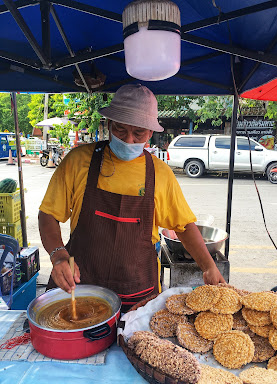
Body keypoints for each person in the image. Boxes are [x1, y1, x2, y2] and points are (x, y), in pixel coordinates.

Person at [38, 84, 225, 311]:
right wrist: (58, 256)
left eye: (138, 133)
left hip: (138, 294)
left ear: (151, 132)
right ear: (108, 124)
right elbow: (48, 213)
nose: (128, 139)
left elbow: (183, 225)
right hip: (81, 288)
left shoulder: (160, 174)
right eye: (119, 129)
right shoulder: (78, 161)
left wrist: (208, 267)